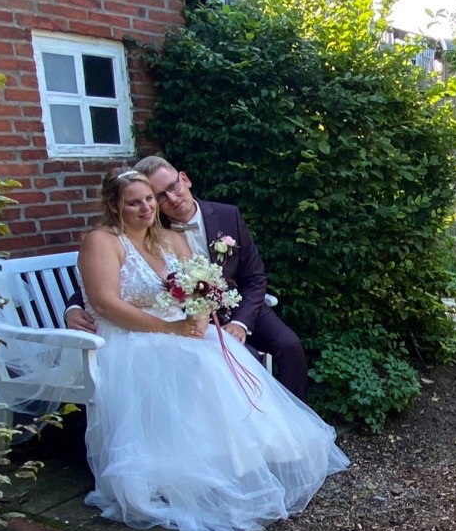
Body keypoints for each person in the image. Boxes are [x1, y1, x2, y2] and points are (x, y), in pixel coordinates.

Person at [73, 168, 348, 531]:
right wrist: (167, 329)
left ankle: (237, 460)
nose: (147, 207)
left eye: (150, 198)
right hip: (129, 336)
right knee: (196, 363)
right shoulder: (103, 241)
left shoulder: (168, 238)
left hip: (177, 328)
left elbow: (203, 290)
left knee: (220, 353)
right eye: (134, 202)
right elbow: (104, 302)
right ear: (114, 206)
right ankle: (183, 472)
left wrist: (200, 316)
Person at [69, 155, 308, 400]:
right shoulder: (150, 225)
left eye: (172, 187)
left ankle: (295, 417)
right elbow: (110, 285)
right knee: (227, 363)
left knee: (289, 346)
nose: (170, 199)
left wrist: (240, 323)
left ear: (184, 179)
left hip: (238, 309)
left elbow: (255, 276)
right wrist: (74, 306)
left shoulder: (227, 216)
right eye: (160, 195)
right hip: (181, 323)